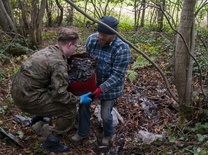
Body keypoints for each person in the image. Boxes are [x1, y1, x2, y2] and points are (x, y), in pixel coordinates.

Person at [11, 28, 92, 152]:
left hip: (18, 91)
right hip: (27, 98)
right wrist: (79, 99)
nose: (75, 49)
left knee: (49, 88)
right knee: (69, 110)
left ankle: (38, 118)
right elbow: (60, 95)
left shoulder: (48, 50)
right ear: (69, 44)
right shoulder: (58, 62)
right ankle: (52, 142)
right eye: (75, 46)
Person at [71, 16, 131, 146]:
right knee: (83, 106)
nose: (100, 37)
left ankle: (108, 134)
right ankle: (82, 133)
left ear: (113, 34)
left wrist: (101, 88)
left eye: (104, 35)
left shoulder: (122, 49)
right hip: (90, 83)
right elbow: (86, 63)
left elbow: (117, 76)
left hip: (110, 87)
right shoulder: (92, 40)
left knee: (105, 115)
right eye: (99, 33)